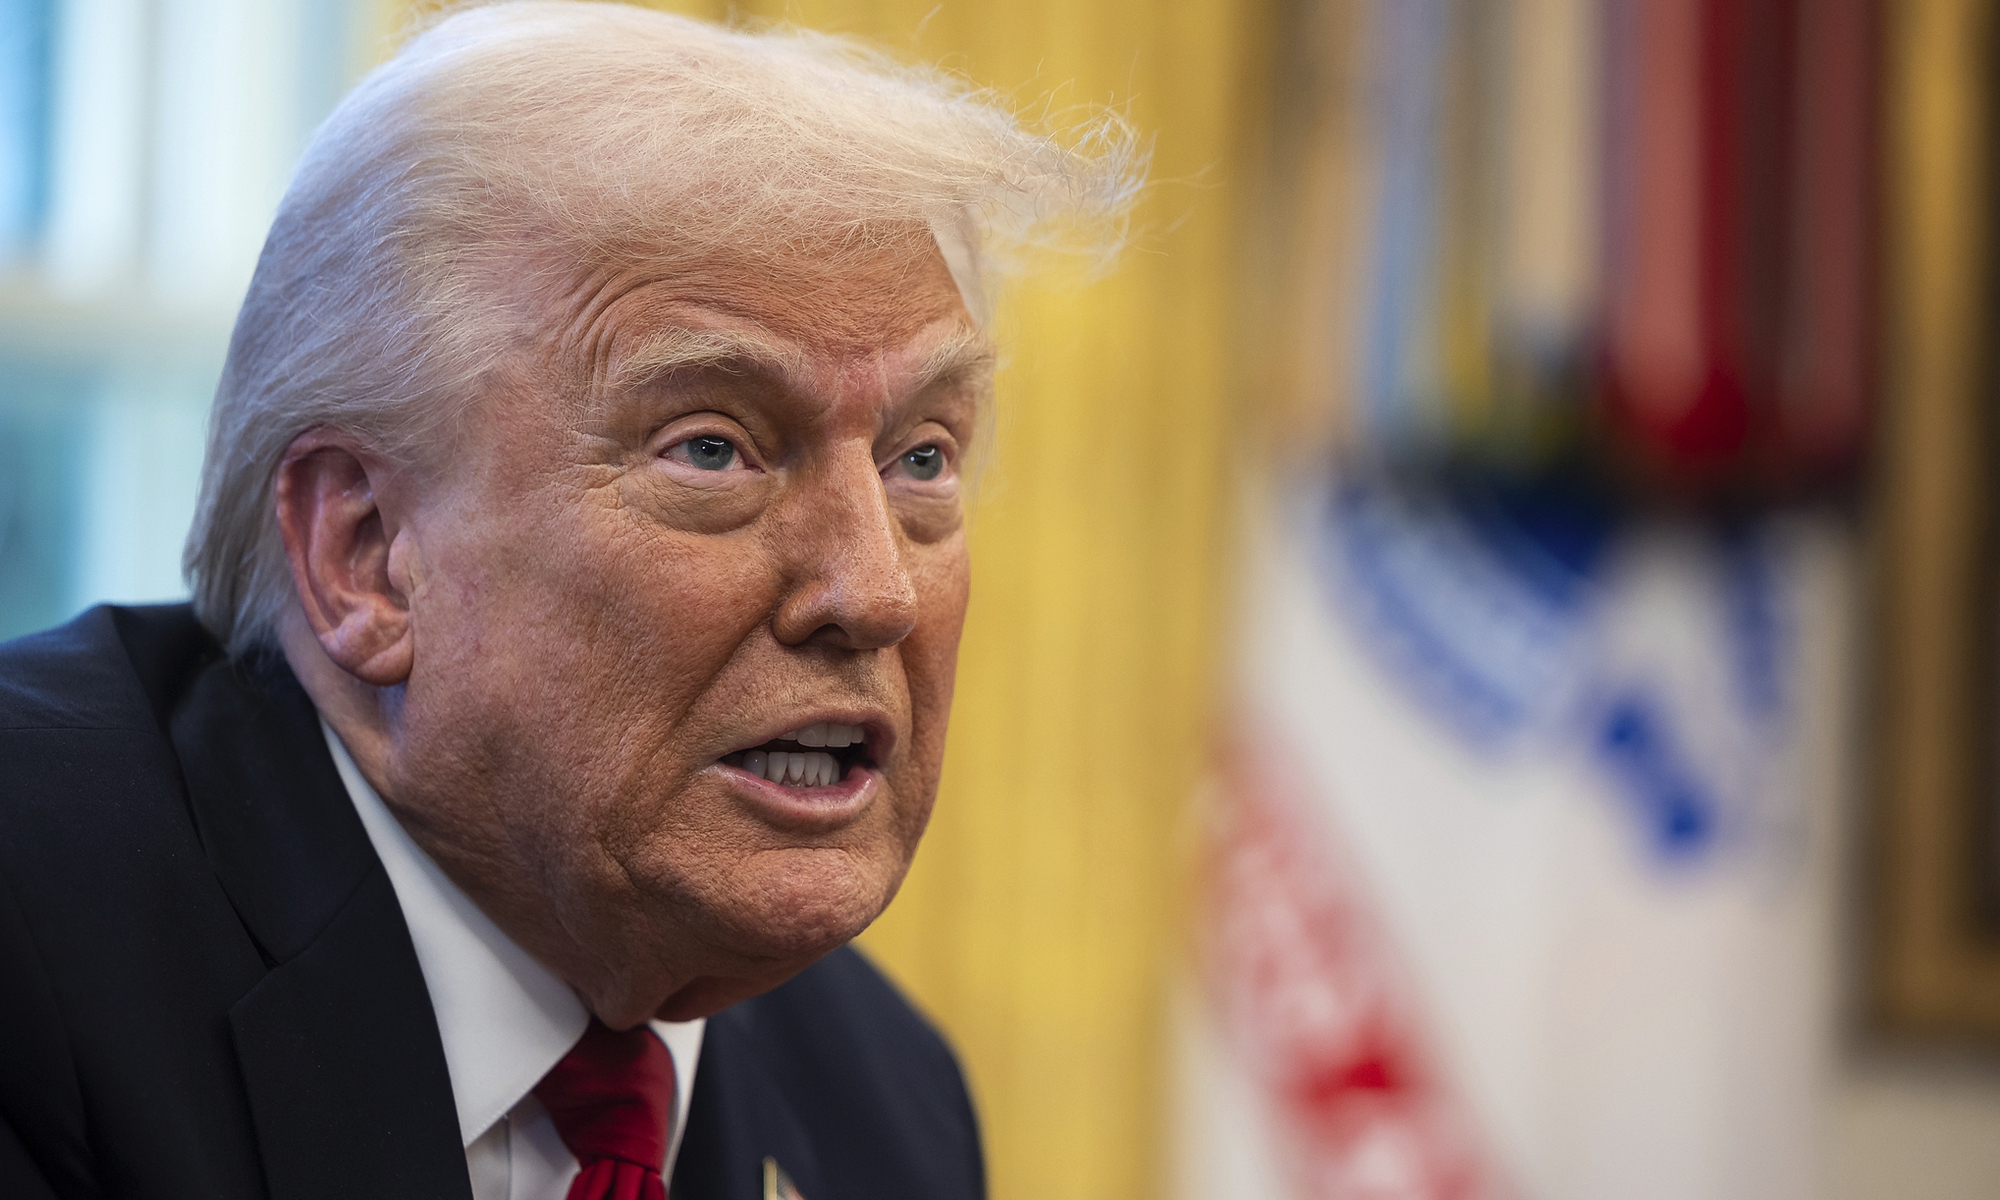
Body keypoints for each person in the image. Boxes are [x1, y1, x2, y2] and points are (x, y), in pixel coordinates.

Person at [0, 5, 1137, 1198]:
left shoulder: (886, 1108)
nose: (875, 591)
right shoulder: (34, 937)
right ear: (370, 554)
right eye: (714, 450)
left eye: (921, 459)